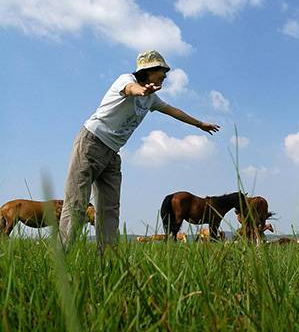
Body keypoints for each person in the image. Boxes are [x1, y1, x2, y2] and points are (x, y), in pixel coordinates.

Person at [59, 50, 220, 250]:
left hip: (112, 154)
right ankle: (61, 258)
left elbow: (173, 111)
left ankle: (107, 261)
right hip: (90, 144)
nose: (165, 76)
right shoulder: (126, 80)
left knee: (109, 210)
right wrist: (142, 91)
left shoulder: (152, 99)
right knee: (77, 204)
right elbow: (129, 89)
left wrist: (200, 124)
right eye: (162, 71)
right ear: (149, 70)